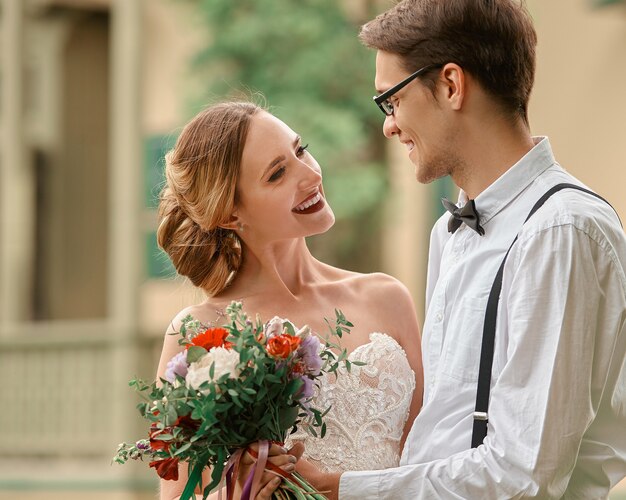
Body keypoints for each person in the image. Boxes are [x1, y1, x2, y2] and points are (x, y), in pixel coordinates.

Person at [296, 0, 626, 498]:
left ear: (451, 85)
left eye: (392, 100)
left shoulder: (561, 231)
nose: (388, 124)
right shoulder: (447, 233)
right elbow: (444, 425)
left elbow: (524, 474)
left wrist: (347, 489)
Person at [154, 101, 424, 499]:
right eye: (278, 174)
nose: (310, 174)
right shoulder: (200, 334)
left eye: (300, 150)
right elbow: (176, 493)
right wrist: (238, 494)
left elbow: (431, 459)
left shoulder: (387, 298)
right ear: (230, 215)